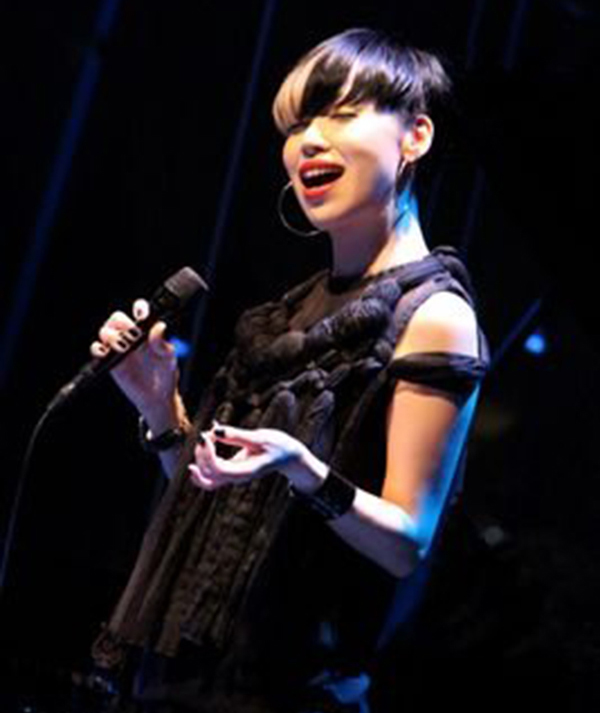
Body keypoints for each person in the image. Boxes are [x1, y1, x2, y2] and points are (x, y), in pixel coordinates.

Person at [89, 28, 489, 713]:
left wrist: (304, 469)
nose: (309, 141)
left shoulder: (434, 314)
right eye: (298, 125)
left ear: (415, 136)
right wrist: (161, 410)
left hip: (294, 690)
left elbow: (406, 545)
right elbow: (217, 499)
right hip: (187, 677)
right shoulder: (290, 314)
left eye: (340, 114)